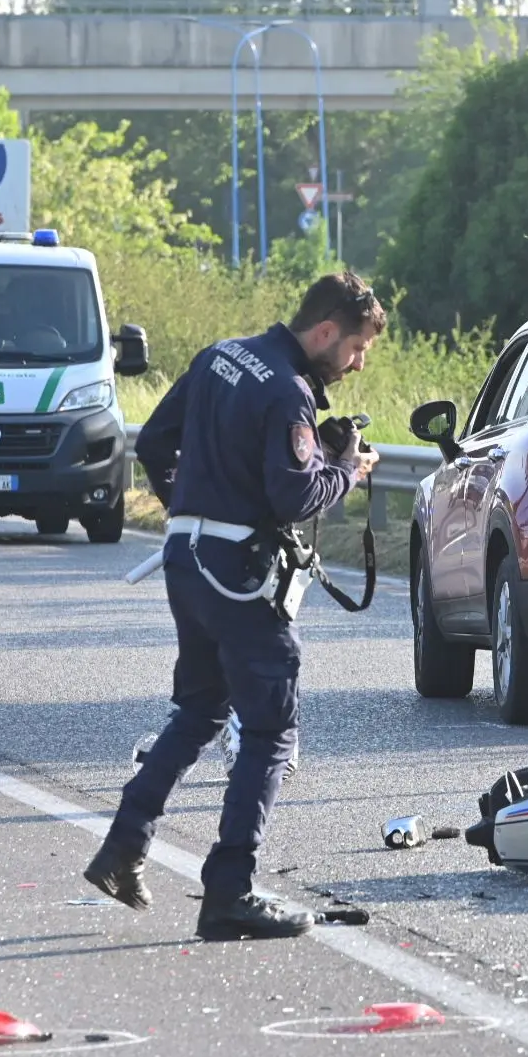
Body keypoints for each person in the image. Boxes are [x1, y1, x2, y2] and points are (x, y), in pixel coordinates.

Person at [84, 273, 383, 939]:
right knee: (271, 729)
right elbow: (292, 498)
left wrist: (194, 506)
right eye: (358, 348)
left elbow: (156, 442)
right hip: (237, 574)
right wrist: (346, 470)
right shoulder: (288, 392)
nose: (359, 363)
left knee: (197, 710)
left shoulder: (221, 354)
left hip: (185, 557)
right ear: (328, 331)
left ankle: (122, 848)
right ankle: (230, 891)